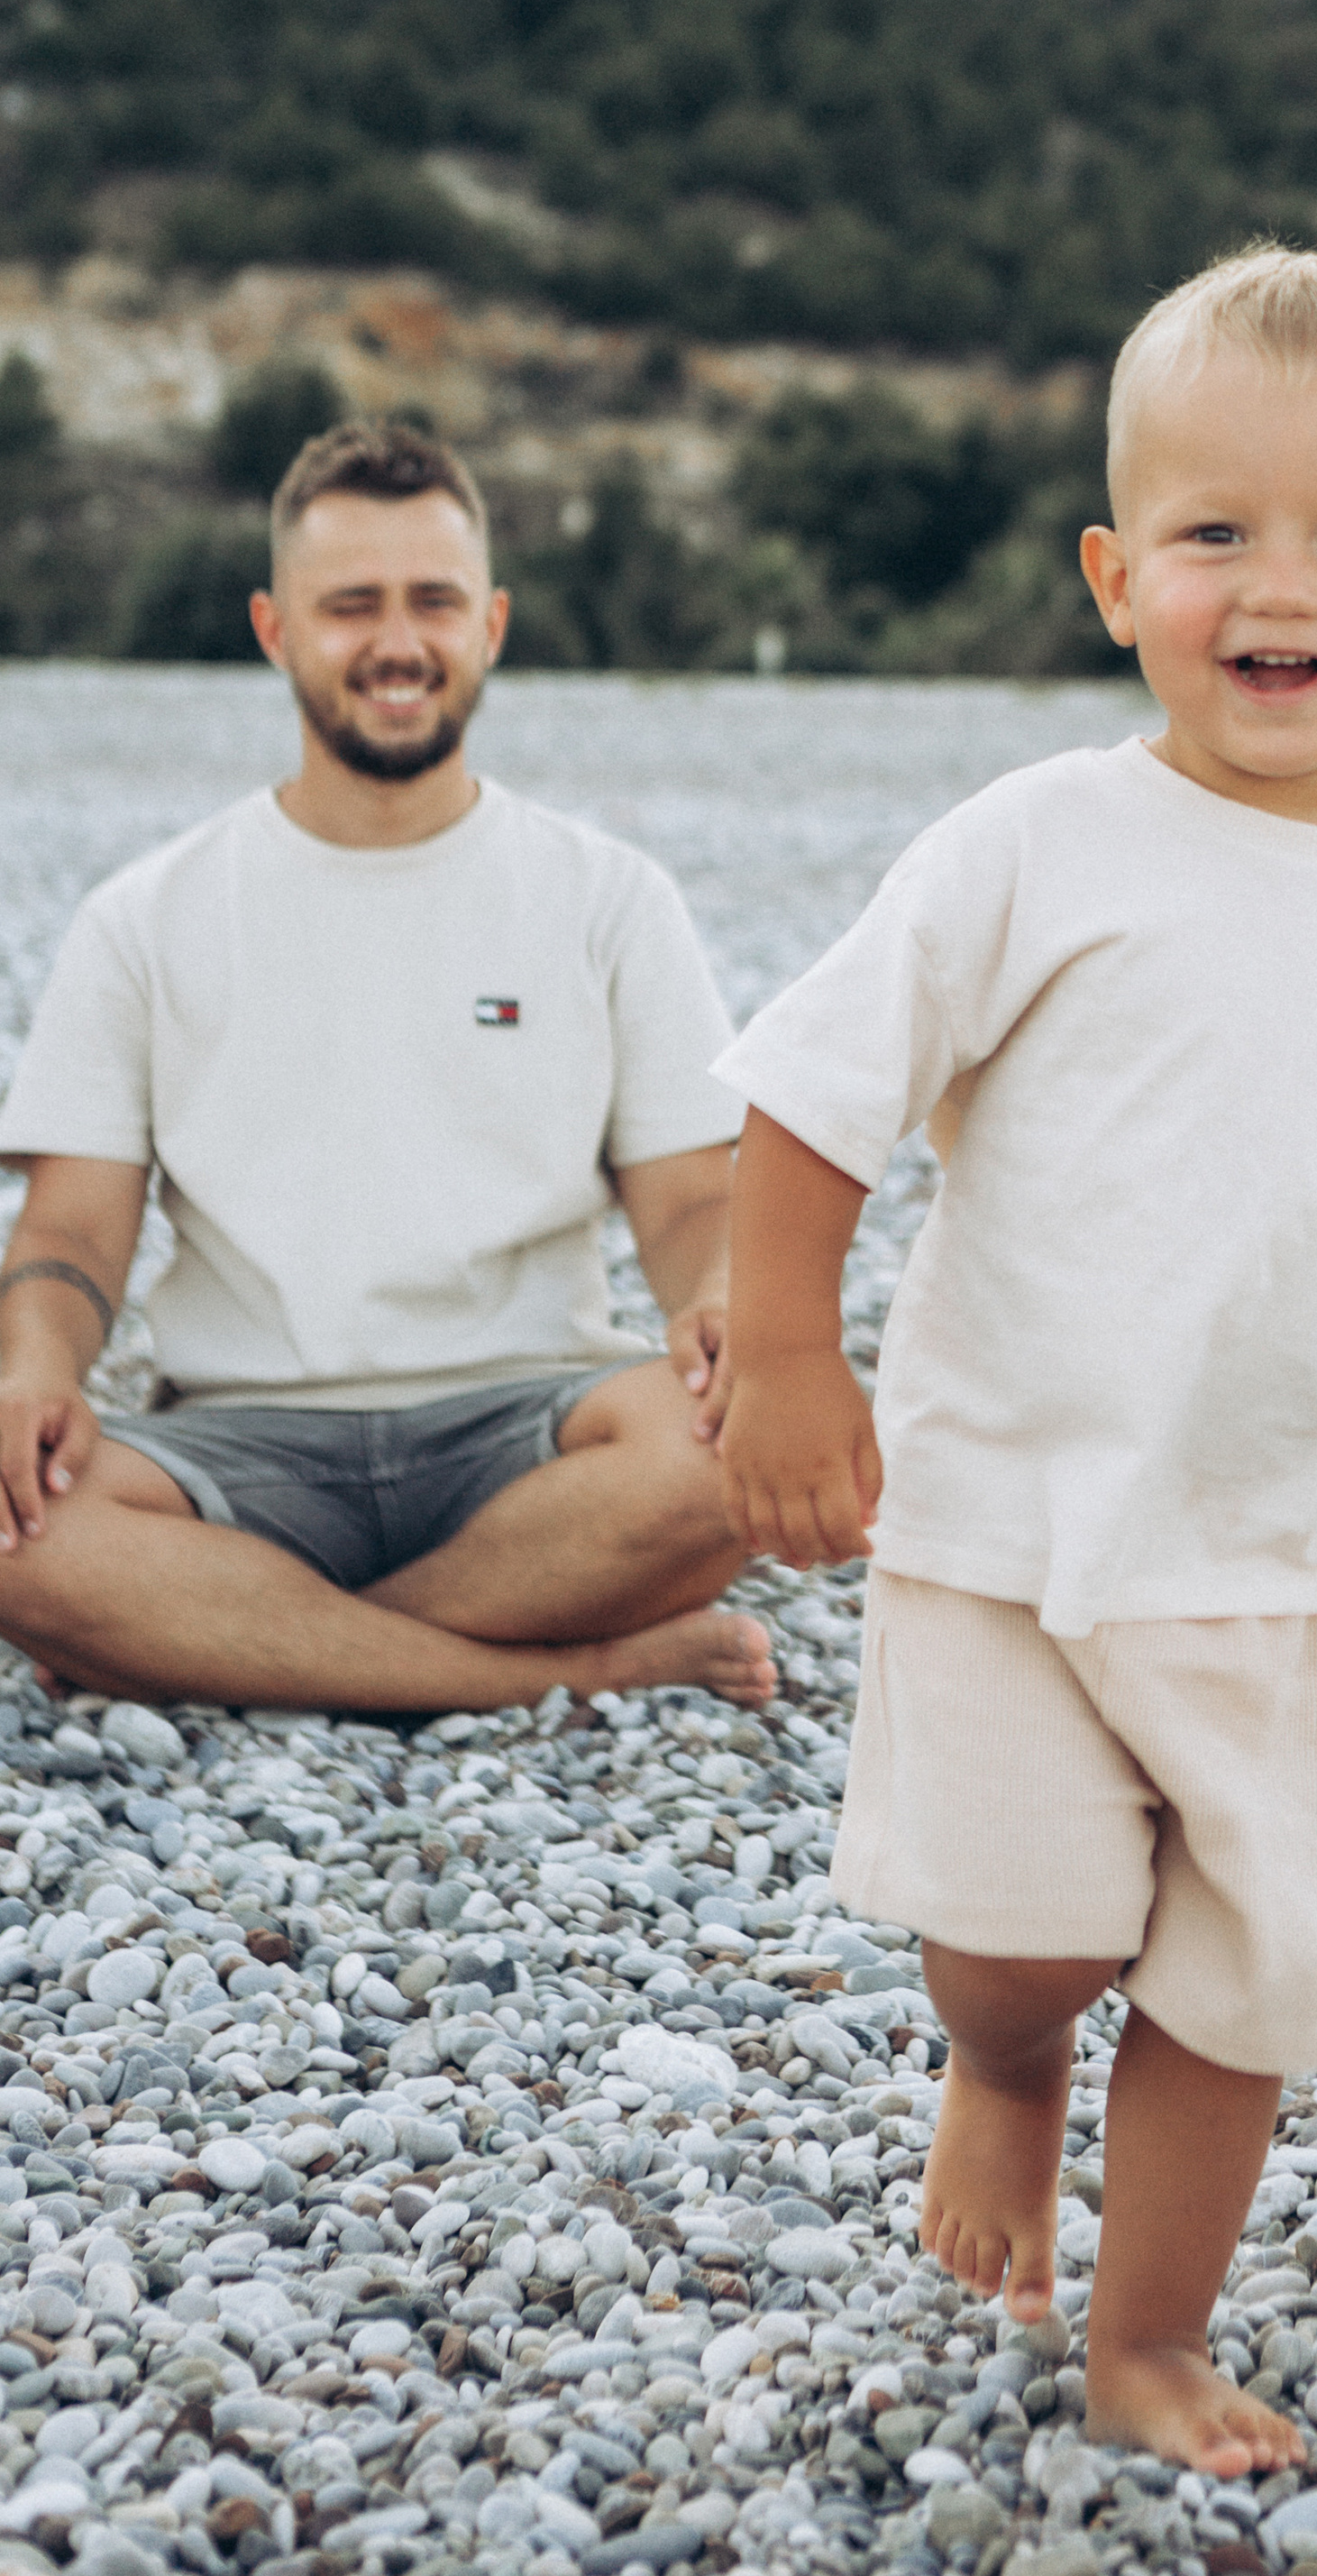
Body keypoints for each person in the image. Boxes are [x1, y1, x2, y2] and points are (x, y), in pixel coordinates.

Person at [709, 245, 1317, 2473]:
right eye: (1215, 532)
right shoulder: (1034, 846)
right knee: (1020, 1942)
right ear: (1115, 573)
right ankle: (1008, 2070)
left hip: (1299, 1567)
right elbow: (812, 1096)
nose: (1279, 588)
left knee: (1243, 1994)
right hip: (1014, 1530)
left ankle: (1145, 2340)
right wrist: (784, 1358)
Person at [0, 417, 775, 1716]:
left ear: (493, 623)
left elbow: (694, 1201)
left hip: (532, 1430)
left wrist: (724, 1299)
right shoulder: (147, 915)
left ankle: (229, 1639)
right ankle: (565, 1667)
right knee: (9, 1521)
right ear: (275, 627)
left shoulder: (606, 898)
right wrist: (34, 1369)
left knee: (743, 1450)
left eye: (434, 601)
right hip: (237, 1440)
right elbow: (73, 1227)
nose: (398, 642)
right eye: (351, 605)